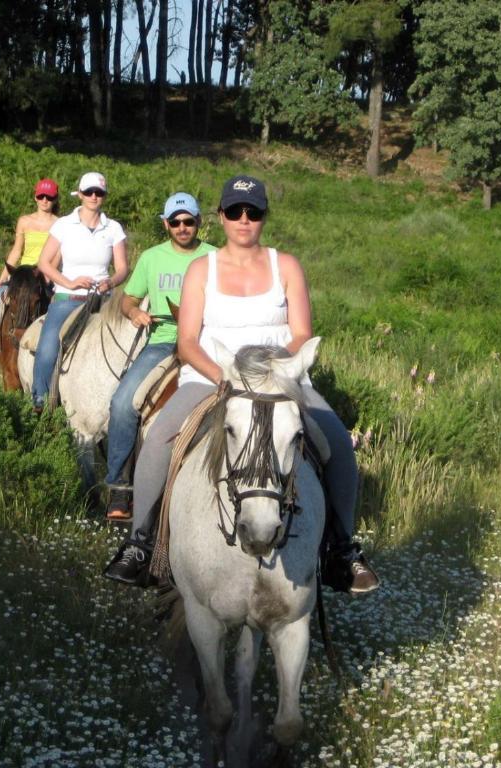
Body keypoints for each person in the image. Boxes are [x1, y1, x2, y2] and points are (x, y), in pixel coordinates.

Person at [104, 174, 380, 594]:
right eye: (235, 211)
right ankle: (140, 542)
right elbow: (188, 341)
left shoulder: (285, 265)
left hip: (279, 380)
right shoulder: (201, 269)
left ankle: (342, 550)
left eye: (254, 212)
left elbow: (302, 333)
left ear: (264, 217)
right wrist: (227, 379)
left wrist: (270, 377)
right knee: (161, 438)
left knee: (338, 443)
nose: (244, 219)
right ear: (221, 216)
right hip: (212, 378)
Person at [104, 192, 217, 521]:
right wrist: (135, 312)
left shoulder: (215, 257)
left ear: (199, 223)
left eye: (189, 221)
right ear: (166, 224)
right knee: (122, 402)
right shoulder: (152, 258)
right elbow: (128, 299)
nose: (182, 228)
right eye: (175, 222)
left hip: (207, 342)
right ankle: (120, 489)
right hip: (164, 340)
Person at [31, 171, 129, 410]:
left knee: (129, 342)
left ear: (104, 196)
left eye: (99, 193)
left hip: (104, 298)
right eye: (89, 192)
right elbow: (44, 263)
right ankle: (39, 400)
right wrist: (69, 282)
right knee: (48, 346)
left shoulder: (113, 228)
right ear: (80, 195)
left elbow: (123, 268)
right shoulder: (64, 224)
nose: (94, 197)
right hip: (69, 297)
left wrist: (111, 282)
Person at [0, 178, 59, 358]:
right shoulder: (24, 221)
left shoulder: (60, 223)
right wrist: (3, 277)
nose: (44, 200)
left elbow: (59, 253)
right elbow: (16, 250)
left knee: (58, 306)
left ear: (55, 199)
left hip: (47, 273)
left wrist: (49, 274)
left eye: (49, 197)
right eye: (41, 196)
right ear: (35, 197)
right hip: (23, 274)